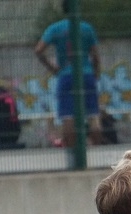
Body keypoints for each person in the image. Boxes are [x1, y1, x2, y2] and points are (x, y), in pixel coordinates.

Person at [34, 0, 103, 148]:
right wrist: (96, 73)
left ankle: (73, 151)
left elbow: (38, 50)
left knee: (68, 116)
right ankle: (97, 150)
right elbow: (96, 56)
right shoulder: (87, 28)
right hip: (86, 73)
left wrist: (53, 68)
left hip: (65, 75)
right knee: (93, 114)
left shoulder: (55, 28)